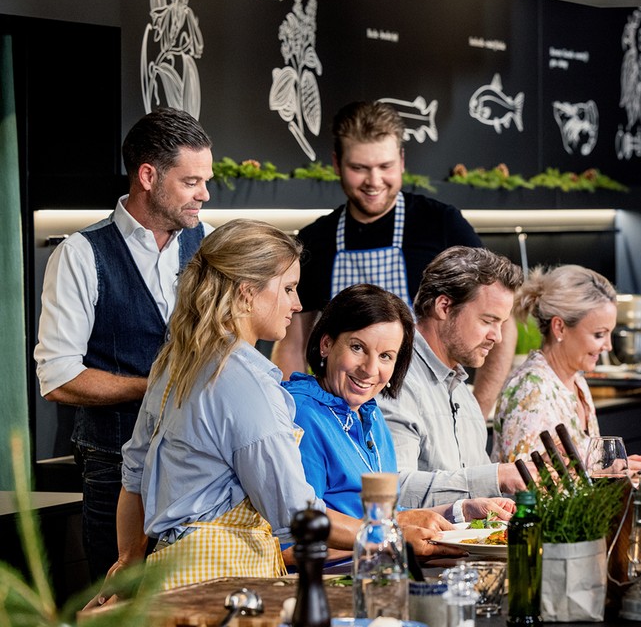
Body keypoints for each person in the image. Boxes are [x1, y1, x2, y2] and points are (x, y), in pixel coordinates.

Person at [111, 220, 458, 594]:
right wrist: (389, 534)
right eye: (289, 288)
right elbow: (297, 517)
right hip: (221, 580)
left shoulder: (176, 362)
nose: (297, 303)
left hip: (169, 572)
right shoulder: (246, 382)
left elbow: (133, 479)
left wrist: (129, 562)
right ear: (247, 292)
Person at [33, 107, 212, 580]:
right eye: (192, 181)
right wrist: (155, 385)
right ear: (148, 175)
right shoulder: (80, 254)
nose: (204, 194)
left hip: (200, 461)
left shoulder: (210, 244)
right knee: (117, 601)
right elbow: (59, 380)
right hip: (114, 467)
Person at [271, 101, 514, 417]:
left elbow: (501, 323)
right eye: (359, 168)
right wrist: (299, 413)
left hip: (429, 417)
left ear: (401, 161)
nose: (374, 181)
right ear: (336, 163)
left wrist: (478, 412)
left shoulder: (442, 226)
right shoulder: (316, 240)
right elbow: (292, 343)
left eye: (384, 167)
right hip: (339, 420)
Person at [285, 282, 514, 560]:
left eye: (385, 356)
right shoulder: (302, 414)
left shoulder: (370, 413)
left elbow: (391, 517)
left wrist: (461, 510)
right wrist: (391, 540)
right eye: (357, 347)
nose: (370, 369)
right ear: (326, 344)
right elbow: (290, 542)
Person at [380, 246, 531, 508]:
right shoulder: (395, 375)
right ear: (444, 306)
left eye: (501, 323)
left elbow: (485, 493)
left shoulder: (461, 391)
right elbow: (394, 490)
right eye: (488, 320)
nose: (498, 336)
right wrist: (497, 476)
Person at [490, 265, 641, 472]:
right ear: (559, 327)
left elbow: (581, 472)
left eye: (609, 334)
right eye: (599, 334)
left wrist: (611, 473)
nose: (608, 346)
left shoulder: (577, 381)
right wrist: (605, 475)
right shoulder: (530, 390)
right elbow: (525, 486)